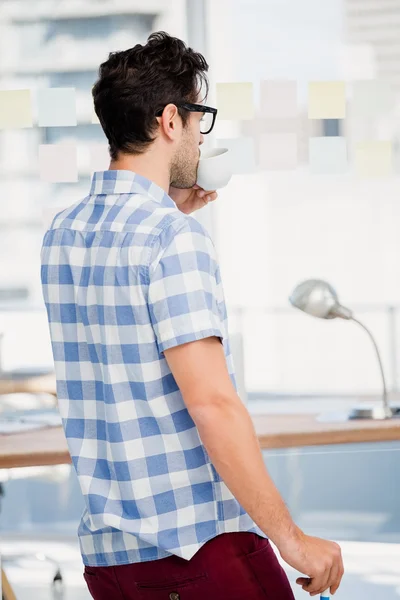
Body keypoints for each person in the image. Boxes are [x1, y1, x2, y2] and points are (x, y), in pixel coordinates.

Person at [40, 31, 344, 600]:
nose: (202, 140)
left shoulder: (63, 234)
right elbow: (212, 404)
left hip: (112, 561)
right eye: (199, 120)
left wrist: (168, 212)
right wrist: (292, 539)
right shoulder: (172, 240)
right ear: (171, 121)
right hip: (198, 548)